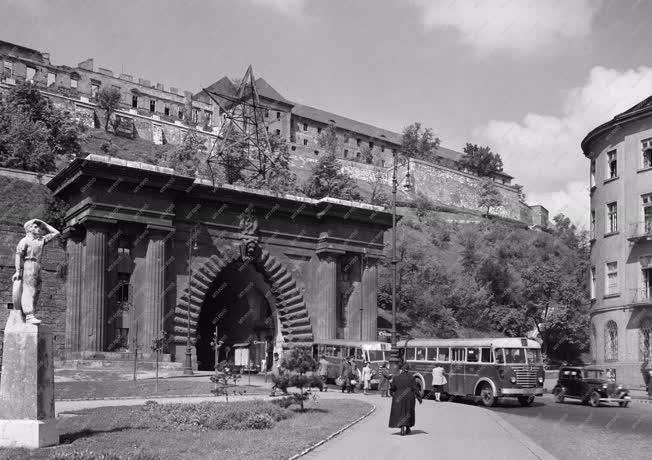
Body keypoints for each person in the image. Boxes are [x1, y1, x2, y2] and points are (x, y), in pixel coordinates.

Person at [13, 219, 60, 324]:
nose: (39, 229)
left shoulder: (41, 240)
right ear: (29, 229)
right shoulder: (24, 240)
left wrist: (45, 224)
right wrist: (17, 271)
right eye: (35, 227)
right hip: (29, 264)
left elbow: (56, 233)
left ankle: (31, 314)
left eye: (40, 227)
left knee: (37, 290)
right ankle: (29, 314)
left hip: (38, 265)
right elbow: (18, 255)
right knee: (29, 289)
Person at [388, 363, 422, 436]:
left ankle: (402, 428)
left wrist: (391, 393)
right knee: (408, 412)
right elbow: (415, 388)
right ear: (408, 370)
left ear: (401, 370)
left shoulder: (396, 377)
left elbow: (393, 388)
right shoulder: (411, 378)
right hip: (409, 396)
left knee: (400, 412)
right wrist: (419, 398)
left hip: (398, 396)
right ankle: (407, 428)